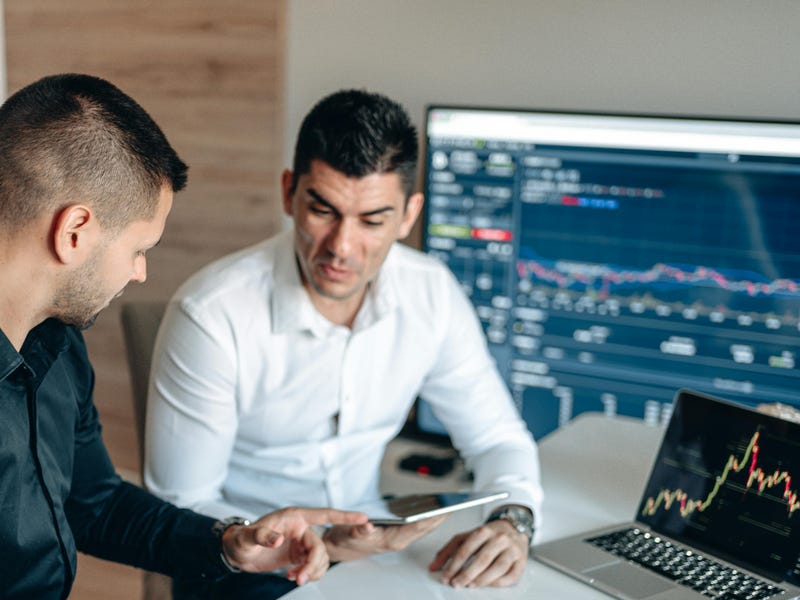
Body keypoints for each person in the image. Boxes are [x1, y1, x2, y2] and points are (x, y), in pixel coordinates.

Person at [146, 89, 544, 596]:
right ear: (289, 192)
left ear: (408, 215)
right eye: (323, 210)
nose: (341, 247)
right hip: (240, 566)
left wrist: (513, 521)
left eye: (373, 221)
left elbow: (497, 439)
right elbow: (182, 505)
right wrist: (316, 542)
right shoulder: (212, 315)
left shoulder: (432, 293)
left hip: (367, 554)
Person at [0, 73, 367, 600]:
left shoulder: (57, 344)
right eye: (139, 247)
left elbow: (95, 504)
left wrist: (229, 541)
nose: (139, 272)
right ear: (74, 232)